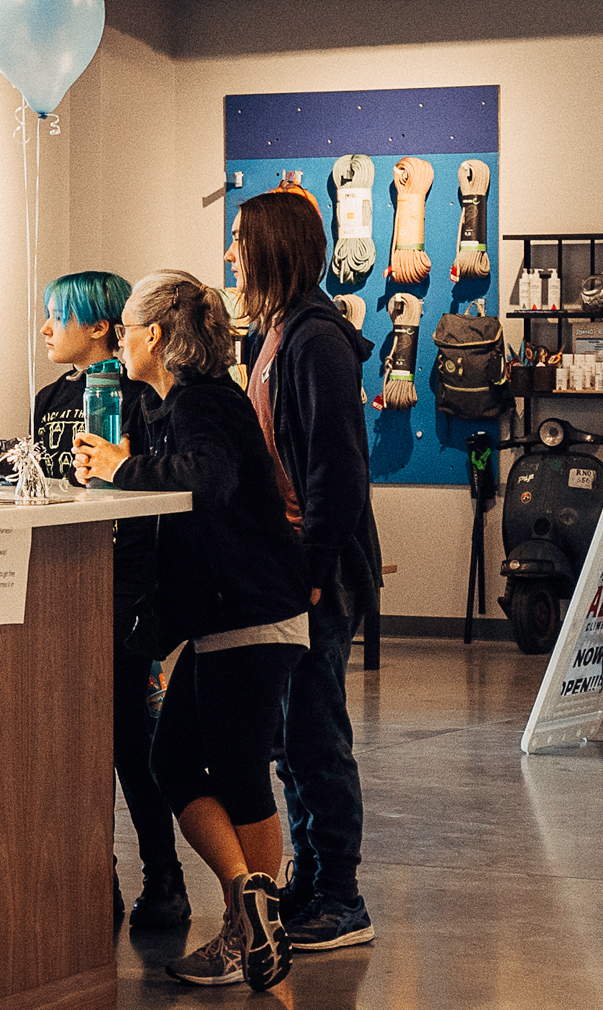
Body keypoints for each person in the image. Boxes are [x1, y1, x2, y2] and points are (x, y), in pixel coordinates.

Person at [74, 270, 310, 992]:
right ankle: (249, 903)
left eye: (125, 328)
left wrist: (124, 468)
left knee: (238, 775)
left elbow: (205, 479)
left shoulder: (204, 401)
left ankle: (249, 930)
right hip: (225, 618)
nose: (118, 339)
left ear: (152, 336)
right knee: (173, 759)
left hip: (251, 615)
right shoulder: (177, 402)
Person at [228, 192, 383, 952]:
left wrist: (315, 569)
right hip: (288, 566)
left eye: (239, 242)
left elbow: (338, 470)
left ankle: (342, 898)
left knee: (317, 735)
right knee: (289, 737)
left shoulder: (315, 340)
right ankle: (311, 879)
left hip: (314, 570)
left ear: (270, 248)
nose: (231, 256)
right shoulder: (278, 332)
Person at [31, 271, 188, 931]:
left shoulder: (140, 393)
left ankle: (165, 876)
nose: (44, 329)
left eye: (56, 316)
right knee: (73, 735)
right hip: (65, 573)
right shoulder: (47, 398)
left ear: (101, 326)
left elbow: (156, 488)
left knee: (127, 733)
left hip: (126, 576)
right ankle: (98, 876)